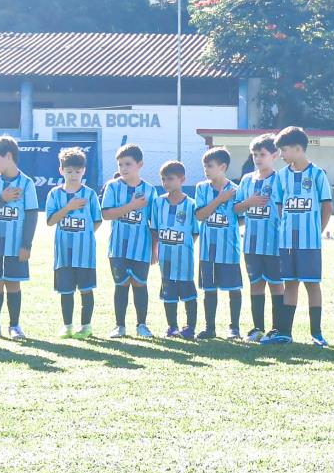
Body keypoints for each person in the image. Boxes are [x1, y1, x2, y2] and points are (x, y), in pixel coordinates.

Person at [271, 126, 333, 346]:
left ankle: (317, 333)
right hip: (287, 241)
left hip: (310, 242)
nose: (281, 154)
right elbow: (279, 204)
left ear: (298, 149)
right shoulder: (281, 175)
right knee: (290, 284)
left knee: (312, 284)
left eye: (284, 150)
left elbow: (327, 205)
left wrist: (317, 230)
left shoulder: (317, 174)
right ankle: (285, 333)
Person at [0, 135, 39, 339]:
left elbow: (31, 216)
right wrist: (2, 198)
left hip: (15, 245)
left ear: (9, 156)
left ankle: (14, 325)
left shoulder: (26, 183)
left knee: (13, 283)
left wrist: (26, 245)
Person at [44, 148, 102, 337]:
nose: (74, 175)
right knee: (66, 291)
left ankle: (86, 326)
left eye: (77, 171)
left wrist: (84, 236)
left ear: (83, 171)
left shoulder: (90, 194)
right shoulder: (54, 194)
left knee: (86, 290)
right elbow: (50, 221)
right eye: (69, 171)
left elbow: (97, 220)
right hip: (63, 253)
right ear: (61, 171)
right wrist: (68, 208)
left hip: (85, 253)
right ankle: (67, 326)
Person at [101, 143, 156, 338]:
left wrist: (154, 249)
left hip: (141, 248)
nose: (123, 168)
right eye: (120, 164)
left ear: (140, 164)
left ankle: (142, 325)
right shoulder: (112, 187)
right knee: (121, 285)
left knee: (140, 284)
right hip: (118, 248)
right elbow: (106, 214)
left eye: (128, 164)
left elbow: (154, 223)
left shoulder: (150, 190)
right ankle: (120, 326)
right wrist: (132, 206)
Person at [233, 133, 282, 342]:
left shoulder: (279, 179)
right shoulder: (247, 180)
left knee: (276, 285)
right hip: (251, 244)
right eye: (255, 154)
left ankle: (278, 328)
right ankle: (257, 328)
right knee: (256, 284)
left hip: (274, 244)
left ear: (274, 155)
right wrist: (248, 202)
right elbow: (235, 208)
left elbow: (283, 210)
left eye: (262, 154)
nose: (258, 158)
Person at [192, 147, 243, 340]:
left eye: (210, 166)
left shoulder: (236, 190)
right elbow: (200, 215)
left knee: (233, 289)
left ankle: (234, 328)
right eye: (204, 166)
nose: (206, 170)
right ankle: (210, 328)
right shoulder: (201, 188)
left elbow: (241, 218)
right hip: (208, 251)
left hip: (229, 250)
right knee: (209, 290)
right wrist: (220, 200)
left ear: (222, 167)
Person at [150, 160, 200, 338]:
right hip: (165, 258)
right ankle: (172, 326)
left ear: (182, 179)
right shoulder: (158, 203)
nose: (166, 183)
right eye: (163, 179)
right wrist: (155, 250)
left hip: (184, 258)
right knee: (168, 292)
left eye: (170, 179)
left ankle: (190, 327)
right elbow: (154, 230)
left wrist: (185, 247)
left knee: (188, 292)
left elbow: (195, 232)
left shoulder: (191, 204)